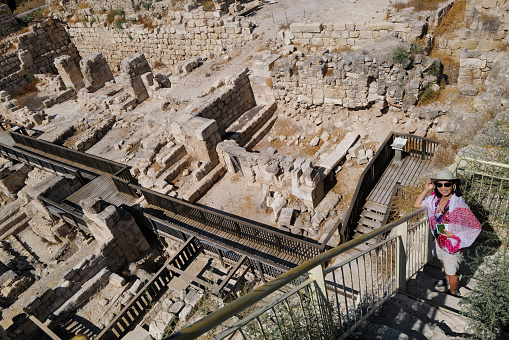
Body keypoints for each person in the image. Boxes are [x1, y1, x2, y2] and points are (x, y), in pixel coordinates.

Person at [414, 169, 482, 297]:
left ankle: (453, 292)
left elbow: (475, 227)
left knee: (452, 272)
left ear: (453, 185)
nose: (443, 188)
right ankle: (447, 279)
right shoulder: (434, 199)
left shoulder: (458, 203)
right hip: (440, 240)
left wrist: (454, 235)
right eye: (439, 184)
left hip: (453, 244)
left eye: (447, 184)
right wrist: (426, 190)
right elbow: (416, 205)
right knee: (443, 262)